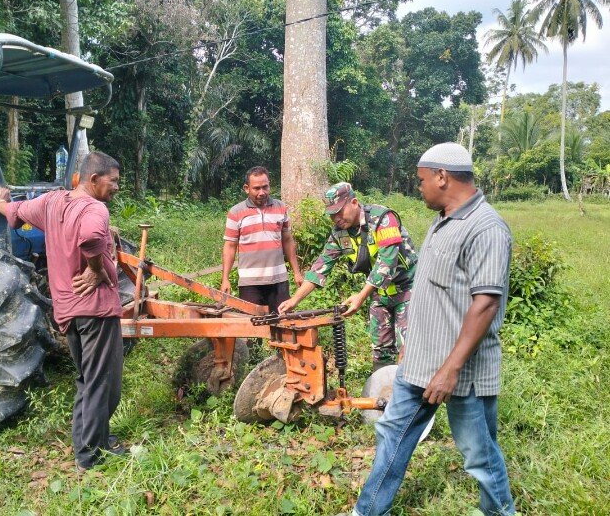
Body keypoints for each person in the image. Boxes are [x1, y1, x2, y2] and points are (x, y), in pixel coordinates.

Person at [342, 143, 515, 516]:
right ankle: (367, 512)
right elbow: (430, 292)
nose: (418, 187)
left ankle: (501, 512)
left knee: (479, 455)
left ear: (442, 176)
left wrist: (449, 369)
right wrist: (411, 343)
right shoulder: (443, 220)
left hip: (461, 371)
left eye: (421, 180)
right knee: (392, 435)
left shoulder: (486, 228)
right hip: (419, 362)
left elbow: (485, 304)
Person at [0, 151, 124, 471]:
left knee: (87, 379)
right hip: (94, 309)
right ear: (94, 179)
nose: (117, 187)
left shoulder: (51, 202)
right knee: (102, 382)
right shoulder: (94, 208)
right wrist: (95, 267)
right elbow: (90, 236)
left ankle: (91, 441)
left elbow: (14, 212)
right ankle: (90, 456)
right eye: (114, 181)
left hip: (68, 310)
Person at [278, 182, 417, 368]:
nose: (336, 218)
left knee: (409, 351)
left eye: (339, 211)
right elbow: (320, 267)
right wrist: (295, 300)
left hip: (408, 290)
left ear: (354, 202)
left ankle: (413, 385)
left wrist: (360, 296)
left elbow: (387, 263)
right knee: (381, 352)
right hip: (380, 293)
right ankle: (382, 385)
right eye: (331, 214)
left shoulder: (383, 219)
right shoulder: (340, 233)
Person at [221, 166, 303, 313]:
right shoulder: (236, 212)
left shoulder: (281, 207)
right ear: (246, 188)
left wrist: (296, 272)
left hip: (278, 281)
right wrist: (225, 278)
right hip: (250, 283)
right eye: (256, 188)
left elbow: (287, 240)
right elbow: (230, 246)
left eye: (265, 187)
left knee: (283, 323)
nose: (262, 192)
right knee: (252, 324)